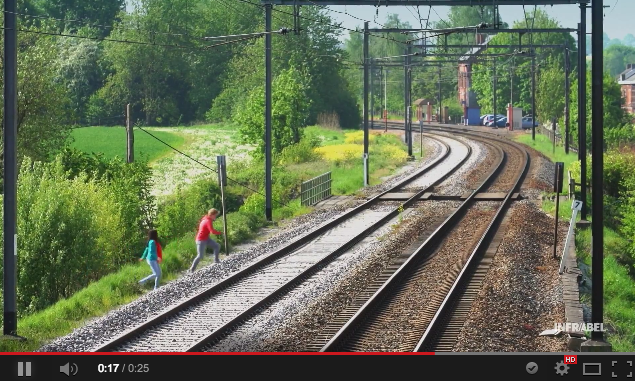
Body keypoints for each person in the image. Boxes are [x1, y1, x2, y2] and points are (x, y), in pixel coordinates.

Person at [189, 208, 222, 273]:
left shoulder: (206, 219)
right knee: (200, 256)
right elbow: (212, 231)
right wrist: (220, 233)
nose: (216, 217)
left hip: (206, 238)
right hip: (201, 240)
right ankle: (191, 269)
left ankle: (216, 260)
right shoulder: (207, 221)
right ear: (212, 215)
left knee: (217, 246)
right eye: (215, 215)